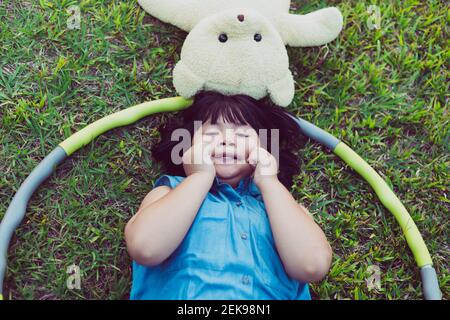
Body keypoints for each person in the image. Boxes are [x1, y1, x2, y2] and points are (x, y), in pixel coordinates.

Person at [125, 91, 332, 299]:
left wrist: (270, 181)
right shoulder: (168, 192)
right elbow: (145, 247)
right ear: (188, 147)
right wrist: (200, 176)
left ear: (265, 149)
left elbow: (312, 265)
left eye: (243, 135)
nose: (226, 140)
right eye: (211, 134)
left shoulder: (284, 208)